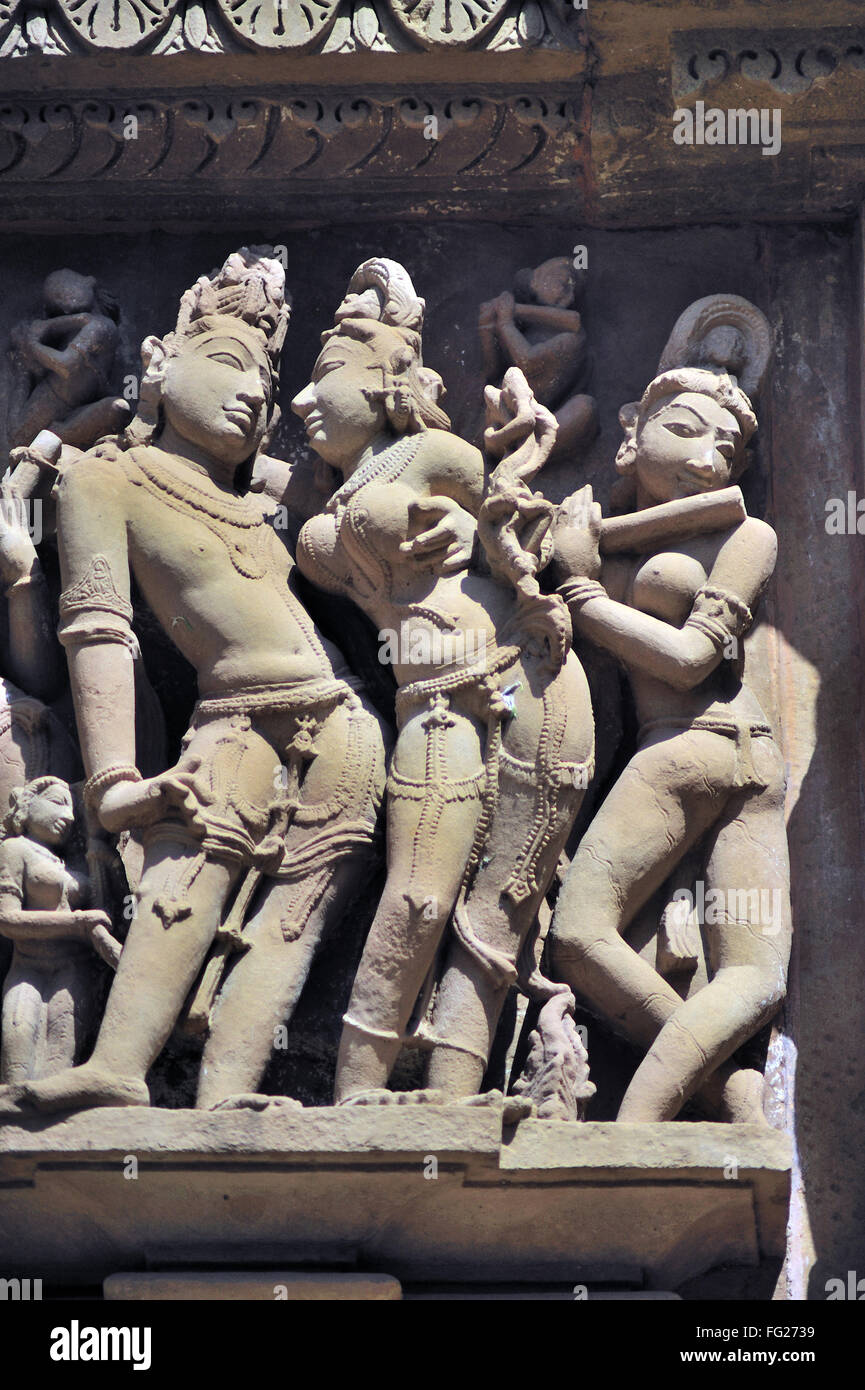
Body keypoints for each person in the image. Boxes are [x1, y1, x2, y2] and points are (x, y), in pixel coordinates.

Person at [12, 248, 389, 1114]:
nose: (252, 390)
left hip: (348, 729)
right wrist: (114, 785)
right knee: (184, 877)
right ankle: (118, 1069)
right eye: (226, 363)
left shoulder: (276, 498)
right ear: (158, 361)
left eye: (264, 377)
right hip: (237, 718)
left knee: (290, 924)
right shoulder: (109, 475)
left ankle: (226, 1093)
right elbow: (98, 628)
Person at [293, 258, 595, 1110]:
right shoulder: (314, 504)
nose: (299, 403)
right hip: (428, 696)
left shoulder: (432, 450)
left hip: (528, 671)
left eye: (325, 380)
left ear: (392, 379)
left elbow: (510, 527)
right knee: (421, 892)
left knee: (502, 902)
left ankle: (458, 1091)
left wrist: (498, 528)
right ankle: (358, 1094)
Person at [548, 364, 791, 1123]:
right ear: (629, 437)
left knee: (586, 934)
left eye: (724, 450)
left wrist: (581, 592)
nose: (703, 461)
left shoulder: (745, 535)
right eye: (682, 431)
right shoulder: (606, 537)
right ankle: (731, 1100)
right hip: (715, 757)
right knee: (744, 979)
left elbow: (690, 662)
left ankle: (634, 1124)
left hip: (699, 747)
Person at [0, 777, 118, 1084]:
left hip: (74, 967)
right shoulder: (15, 850)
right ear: (27, 805)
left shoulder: (74, 863)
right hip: (28, 967)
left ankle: (54, 1121)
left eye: (72, 812)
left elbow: (121, 911)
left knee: (60, 1053)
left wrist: (110, 865)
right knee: (19, 1034)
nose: (67, 817)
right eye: (57, 804)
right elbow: (7, 920)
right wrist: (78, 924)